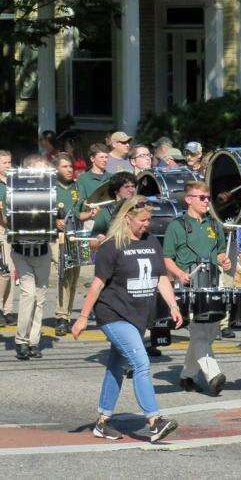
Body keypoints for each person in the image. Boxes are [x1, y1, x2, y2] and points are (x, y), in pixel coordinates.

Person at [71, 196, 181, 442]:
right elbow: (97, 285)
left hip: (138, 315)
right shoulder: (112, 246)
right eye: (142, 220)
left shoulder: (152, 242)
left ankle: (102, 422)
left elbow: (160, 277)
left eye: (149, 220)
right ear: (127, 218)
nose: (147, 224)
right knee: (141, 363)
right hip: (113, 314)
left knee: (116, 367)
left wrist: (173, 304)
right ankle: (154, 421)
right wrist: (83, 318)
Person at [163, 181, 231, 396]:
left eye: (208, 198)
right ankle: (214, 375)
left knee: (209, 334)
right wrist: (179, 274)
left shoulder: (214, 224)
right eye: (201, 198)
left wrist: (224, 260)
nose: (206, 202)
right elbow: (167, 258)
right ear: (189, 199)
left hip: (211, 282)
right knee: (199, 331)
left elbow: (220, 252)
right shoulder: (177, 225)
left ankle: (187, 376)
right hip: (188, 284)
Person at [7, 155, 52, 360]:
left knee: (40, 298)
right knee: (29, 294)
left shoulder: (50, 190)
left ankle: (34, 341)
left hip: (42, 249)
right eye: (38, 170)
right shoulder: (13, 189)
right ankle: (21, 340)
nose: (42, 174)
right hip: (21, 249)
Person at [53, 153, 97, 336]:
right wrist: (55, 221)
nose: (69, 170)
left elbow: (79, 214)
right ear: (56, 168)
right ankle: (60, 315)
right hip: (57, 237)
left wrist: (91, 213)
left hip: (75, 235)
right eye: (65, 166)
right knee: (62, 271)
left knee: (73, 276)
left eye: (71, 166)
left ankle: (67, 315)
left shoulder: (77, 187)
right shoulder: (51, 187)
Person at [91, 172, 138, 240]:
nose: (131, 190)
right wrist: (101, 240)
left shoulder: (139, 208)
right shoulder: (104, 213)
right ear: (116, 190)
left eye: (133, 186)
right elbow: (92, 242)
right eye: (126, 187)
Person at [0, 149, 15, 325]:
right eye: (4, 163)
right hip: (1, 228)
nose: (8, 166)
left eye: (10, 162)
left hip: (12, 228)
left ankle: (8, 309)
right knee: (3, 271)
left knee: (10, 271)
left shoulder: (13, 181)